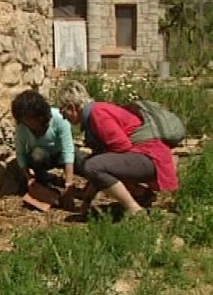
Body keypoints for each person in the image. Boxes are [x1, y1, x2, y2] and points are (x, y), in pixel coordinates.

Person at [56, 81, 178, 216]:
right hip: (145, 157)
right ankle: (142, 194)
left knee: (93, 165)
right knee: (95, 164)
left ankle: (134, 210)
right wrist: (86, 202)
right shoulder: (94, 114)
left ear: (72, 107)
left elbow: (122, 146)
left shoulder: (98, 114)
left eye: (63, 112)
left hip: (150, 158)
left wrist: (95, 164)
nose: (63, 117)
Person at [11, 89, 81, 192]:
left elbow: (68, 151)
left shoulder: (59, 118)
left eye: (29, 118)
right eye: (24, 119)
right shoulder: (22, 126)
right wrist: (29, 177)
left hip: (60, 154)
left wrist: (68, 184)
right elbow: (20, 153)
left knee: (80, 159)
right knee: (36, 155)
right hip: (41, 158)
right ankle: (42, 179)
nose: (27, 122)